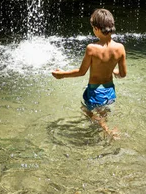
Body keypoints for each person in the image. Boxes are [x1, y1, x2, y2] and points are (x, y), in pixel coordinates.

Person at [52, 8, 127, 136]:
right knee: (103, 112)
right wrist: (113, 71)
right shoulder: (120, 48)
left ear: (97, 29)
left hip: (94, 91)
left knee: (86, 111)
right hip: (110, 91)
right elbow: (123, 74)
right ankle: (109, 128)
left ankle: (108, 131)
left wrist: (62, 75)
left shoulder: (92, 48)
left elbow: (81, 72)